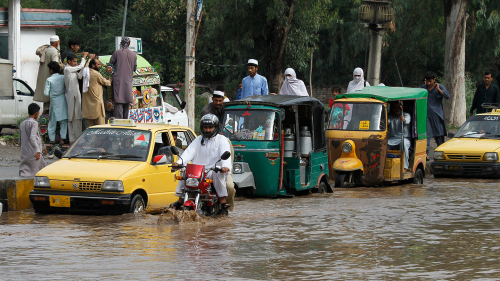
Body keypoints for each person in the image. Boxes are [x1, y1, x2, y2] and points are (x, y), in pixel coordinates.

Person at [170, 114, 232, 215]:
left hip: (213, 170)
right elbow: (189, 152)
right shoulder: (199, 139)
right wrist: (179, 162)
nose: (207, 130)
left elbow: (225, 153)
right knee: (184, 170)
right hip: (198, 171)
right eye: (205, 127)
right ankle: (180, 200)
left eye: (210, 127)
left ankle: (222, 201)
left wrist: (225, 166)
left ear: (216, 127)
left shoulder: (222, 140)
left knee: (217, 172)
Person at [64, 52, 93, 143]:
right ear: (69, 61)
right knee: (71, 118)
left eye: (77, 61)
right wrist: (84, 58)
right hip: (71, 95)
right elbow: (79, 67)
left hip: (76, 95)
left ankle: (77, 139)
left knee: (77, 117)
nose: (76, 63)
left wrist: (87, 64)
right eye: (74, 61)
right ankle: (72, 139)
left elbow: (80, 75)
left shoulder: (73, 69)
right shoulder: (67, 69)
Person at [420, 71, 450, 157]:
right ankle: (426, 155)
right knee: (427, 136)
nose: (429, 83)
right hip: (427, 116)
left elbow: (447, 96)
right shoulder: (423, 87)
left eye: (430, 81)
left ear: (434, 80)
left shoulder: (439, 87)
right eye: (427, 81)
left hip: (437, 116)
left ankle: (442, 154)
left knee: (439, 136)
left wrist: (439, 90)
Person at [110, 37, 137, 119]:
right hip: (128, 82)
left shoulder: (117, 53)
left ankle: (119, 126)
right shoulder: (133, 55)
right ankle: (125, 124)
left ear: (121, 43)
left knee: (118, 104)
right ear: (129, 44)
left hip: (118, 82)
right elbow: (135, 68)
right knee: (126, 103)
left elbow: (110, 66)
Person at [34, 35, 64, 112]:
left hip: (45, 80)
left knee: (46, 106)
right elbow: (56, 66)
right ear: (57, 43)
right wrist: (64, 66)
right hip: (52, 82)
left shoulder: (46, 50)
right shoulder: (54, 52)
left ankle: (44, 122)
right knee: (51, 108)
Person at [43, 61, 67, 144]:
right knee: (63, 122)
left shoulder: (49, 79)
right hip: (62, 101)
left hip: (53, 102)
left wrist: (52, 94)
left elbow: (46, 93)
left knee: (52, 122)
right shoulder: (63, 77)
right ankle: (62, 139)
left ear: (51, 70)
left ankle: (52, 139)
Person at [19, 103, 46, 177]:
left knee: (24, 173)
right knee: (36, 173)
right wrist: (37, 150)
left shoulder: (22, 123)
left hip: (24, 154)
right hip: (34, 154)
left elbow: (20, 141)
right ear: (36, 113)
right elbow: (32, 137)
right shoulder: (34, 123)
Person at [83, 59, 111, 126]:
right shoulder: (96, 74)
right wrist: (110, 80)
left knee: (91, 126)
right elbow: (106, 83)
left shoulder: (85, 72)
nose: (100, 66)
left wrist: (89, 59)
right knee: (100, 126)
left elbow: (86, 66)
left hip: (89, 105)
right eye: (98, 64)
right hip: (97, 104)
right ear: (93, 65)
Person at [387, 101, 411, 170]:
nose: (396, 110)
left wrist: (403, 119)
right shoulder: (390, 116)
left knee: (403, 144)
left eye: (398, 108)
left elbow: (406, 121)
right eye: (394, 108)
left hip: (403, 138)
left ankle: (404, 166)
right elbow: (387, 122)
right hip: (391, 138)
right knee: (384, 144)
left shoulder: (406, 115)